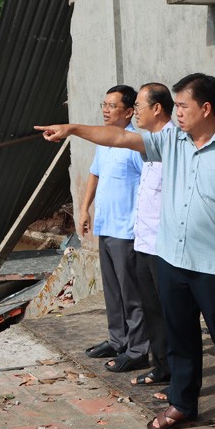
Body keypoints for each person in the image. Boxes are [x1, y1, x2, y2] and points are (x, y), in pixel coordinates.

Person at [36, 73, 215, 429]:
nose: (178, 114)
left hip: (211, 264)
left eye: (184, 107)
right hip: (171, 258)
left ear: (206, 108)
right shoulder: (171, 141)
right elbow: (119, 137)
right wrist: (73, 128)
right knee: (180, 337)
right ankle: (183, 405)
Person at [79, 85, 147, 374]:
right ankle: (117, 340)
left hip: (127, 230)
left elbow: (149, 185)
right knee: (112, 291)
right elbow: (95, 174)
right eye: (103, 105)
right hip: (106, 226)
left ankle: (138, 349)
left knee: (132, 293)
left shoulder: (134, 143)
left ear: (129, 111)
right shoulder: (104, 142)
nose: (105, 110)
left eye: (112, 106)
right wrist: (84, 208)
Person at [128, 83, 174, 389]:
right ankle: (162, 367)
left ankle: (180, 374)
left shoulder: (173, 141)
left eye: (137, 107)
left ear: (157, 108)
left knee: (172, 313)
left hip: (164, 245)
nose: (134, 113)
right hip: (143, 240)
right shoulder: (149, 144)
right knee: (152, 310)